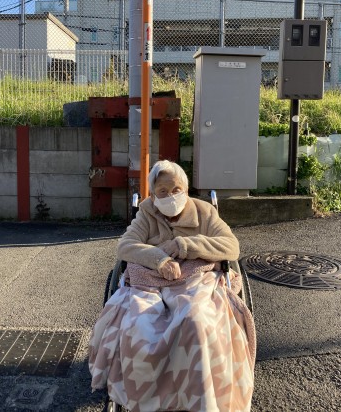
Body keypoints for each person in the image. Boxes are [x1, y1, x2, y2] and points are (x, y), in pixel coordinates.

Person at [89, 160, 256, 412]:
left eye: (176, 189)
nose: (170, 196)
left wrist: (184, 245)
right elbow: (125, 246)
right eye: (163, 191)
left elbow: (231, 247)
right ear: (153, 195)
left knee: (195, 322)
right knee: (139, 326)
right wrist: (160, 260)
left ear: (186, 190)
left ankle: (198, 398)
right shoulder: (146, 213)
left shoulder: (204, 212)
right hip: (152, 282)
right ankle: (150, 400)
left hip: (196, 280)